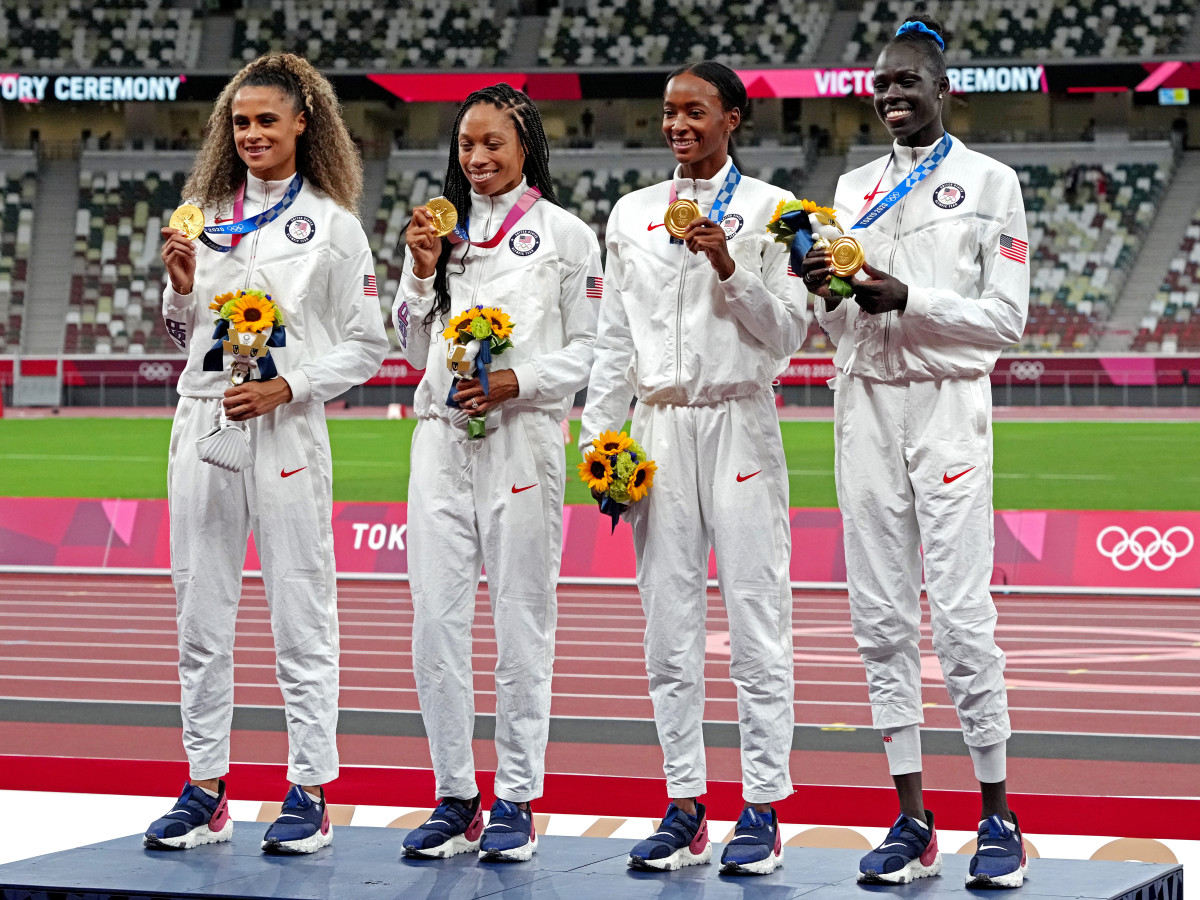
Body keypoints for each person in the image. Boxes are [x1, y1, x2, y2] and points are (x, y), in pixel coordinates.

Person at [800, 16, 1031, 889]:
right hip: (862, 405)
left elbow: (1005, 319)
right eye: (881, 85)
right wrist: (824, 293)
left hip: (945, 407)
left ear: (944, 90)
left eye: (907, 82)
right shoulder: (852, 187)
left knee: (963, 618)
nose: (891, 95)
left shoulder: (993, 183)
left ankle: (998, 815)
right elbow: (835, 320)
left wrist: (911, 299)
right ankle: (910, 818)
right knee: (880, 618)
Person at [146, 53, 389, 854]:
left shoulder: (334, 225)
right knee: (198, 611)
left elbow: (367, 343)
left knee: (300, 610)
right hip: (204, 420)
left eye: (266, 121)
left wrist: (291, 386)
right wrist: (182, 287)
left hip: (286, 428)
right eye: (241, 122)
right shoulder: (201, 217)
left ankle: (309, 790)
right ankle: (205, 787)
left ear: (302, 123)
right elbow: (182, 335)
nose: (252, 134)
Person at [580, 61, 808, 876]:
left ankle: (762, 806)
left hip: (739, 419)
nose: (678, 125)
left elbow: (790, 333)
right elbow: (613, 339)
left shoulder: (778, 210)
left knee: (756, 617)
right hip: (655, 428)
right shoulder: (632, 213)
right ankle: (684, 805)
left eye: (695, 111)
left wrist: (729, 267)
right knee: (667, 628)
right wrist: (599, 442)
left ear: (732, 118)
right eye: (670, 112)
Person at [394, 83, 600, 863]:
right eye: (466, 144)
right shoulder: (438, 230)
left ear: (525, 147)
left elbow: (594, 347)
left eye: (493, 144)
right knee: (435, 622)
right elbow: (413, 350)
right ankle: (455, 796)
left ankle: (516, 796)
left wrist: (520, 381)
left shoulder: (565, 235)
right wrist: (419, 273)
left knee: (521, 621)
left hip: (521, 439)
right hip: (440, 439)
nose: (476, 157)